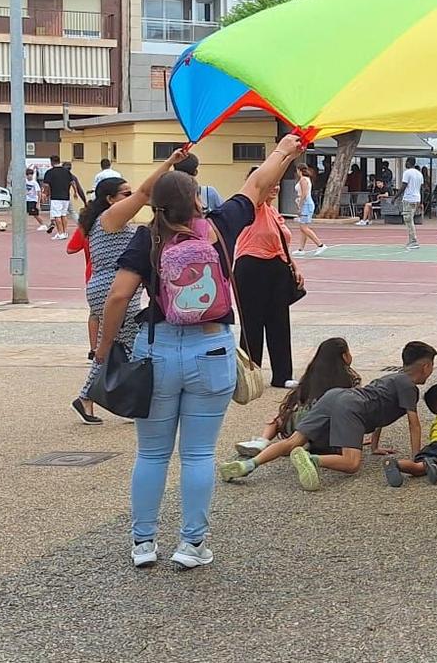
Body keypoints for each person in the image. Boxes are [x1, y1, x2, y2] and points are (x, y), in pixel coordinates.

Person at [93, 134, 302, 569]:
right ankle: (191, 545)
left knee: (151, 453)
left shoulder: (145, 241)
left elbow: (117, 298)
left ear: (155, 204)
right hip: (211, 349)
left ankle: (143, 543)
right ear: (196, 200)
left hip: (159, 349)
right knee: (198, 454)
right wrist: (283, 151)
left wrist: (104, 348)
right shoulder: (219, 227)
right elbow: (258, 185)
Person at [219, 341, 435, 491]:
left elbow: (381, 413)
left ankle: (248, 466)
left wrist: (375, 446)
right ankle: (311, 459)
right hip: (353, 406)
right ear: (425, 367)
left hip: (336, 396)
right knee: (351, 464)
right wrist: (417, 458)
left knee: (293, 441)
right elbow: (413, 424)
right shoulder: (409, 387)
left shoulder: (392, 378)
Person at [70, 172, 146, 425]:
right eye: (126, 193)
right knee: (130, 345)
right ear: (110, 199)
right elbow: (145, 194)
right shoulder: (110, 219)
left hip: (106, 288)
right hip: (112, 290)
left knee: (118, 344)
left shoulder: (106, 221)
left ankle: (87, 398)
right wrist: (169, 162)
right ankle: (132, 401)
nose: (132, 197)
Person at [235, 337, 360, 457]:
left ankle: (262, 440)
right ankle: (306, 443)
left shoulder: (313, 372)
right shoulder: (350, 377)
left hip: (301, 422)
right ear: (344, 356)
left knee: (277, 419)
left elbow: (299, 398)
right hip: (327, 429)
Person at [235, 175, 304, 389]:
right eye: (270, 184)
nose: (274, 188)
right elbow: (258, 187)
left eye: (276, 184)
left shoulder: (273, 212)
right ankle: (249, 375)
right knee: (252, 323)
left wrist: (294, 266)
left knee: (279, 323)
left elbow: (282, 243)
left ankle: (283, 375)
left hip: (277, 267)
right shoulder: (252, 207)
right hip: (251, 267)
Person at [43, 159, 85, 241]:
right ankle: (65, 232)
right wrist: (75, 192)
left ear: (51, 162)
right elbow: (73, 183)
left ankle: (60, 233)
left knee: (57, 215)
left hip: (55, 197)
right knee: (64, 215)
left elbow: (46, 185)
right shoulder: (67, 172)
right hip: (66, 197)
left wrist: (46, 193)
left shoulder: (50, 172)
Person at [290, 163, 327, 255]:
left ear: (299, 170)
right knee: (303, 228)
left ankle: (320, 245)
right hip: (306, 203)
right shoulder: (305, 179)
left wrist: (300, 206)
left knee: (304, 227)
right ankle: (301, 249)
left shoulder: (303, 180)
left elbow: (304, 194)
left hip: (306, 204)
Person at [400, 157, 425, 249]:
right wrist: (421, 201)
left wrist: (395, 197)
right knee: (410, 220)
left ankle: (413, 241)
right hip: (416, 198)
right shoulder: (419, 174)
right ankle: (412, 240)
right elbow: (422, 188)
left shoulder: (407, 173)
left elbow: (403, 186)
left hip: (409, 198)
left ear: (409, 162)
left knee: (408, 220)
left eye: (406, 162)